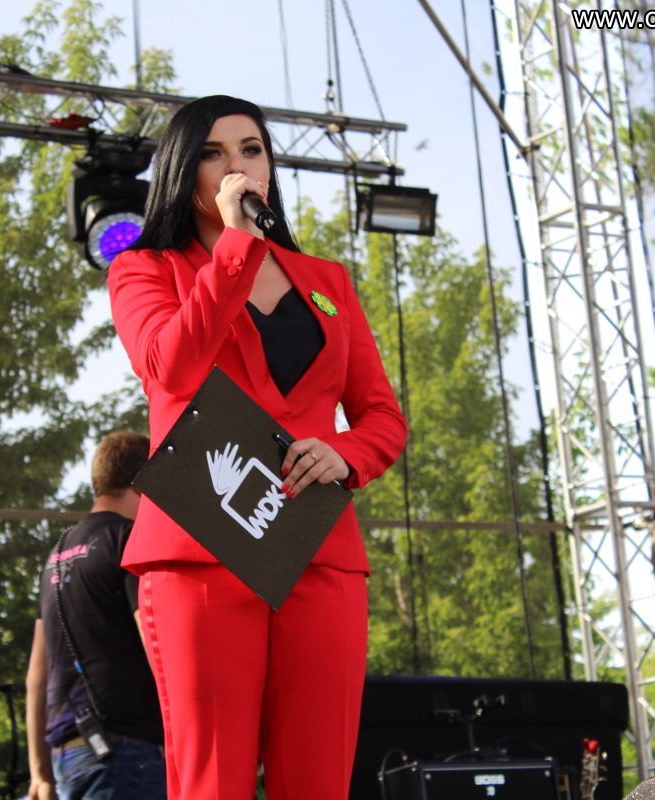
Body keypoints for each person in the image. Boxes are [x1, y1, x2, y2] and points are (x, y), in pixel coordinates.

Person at [106, 95, 407, 800]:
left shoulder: (328, 282)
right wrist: (234, 251)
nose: (236, 166)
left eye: (251, 149)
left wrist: (344, 453)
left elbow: (382, 417)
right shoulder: (143, 268)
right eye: (212, 153)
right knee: (213, 781)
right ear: (183, 171)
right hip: (201, 552)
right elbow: (170, 367)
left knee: (319, 781)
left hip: (316, 548)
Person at [26, 431, 166, 800]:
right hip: (125, 750)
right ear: (142, 482)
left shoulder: (55, 556)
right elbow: (153, 637)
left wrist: (39, 774)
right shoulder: (129, 540)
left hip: (68, 754)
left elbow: (36, 676)